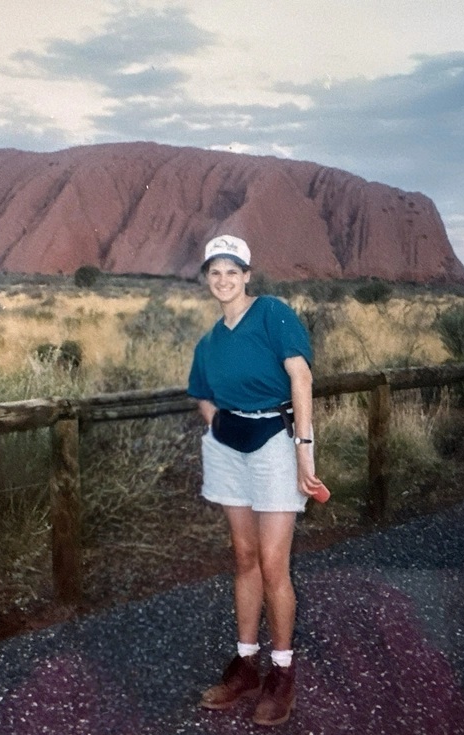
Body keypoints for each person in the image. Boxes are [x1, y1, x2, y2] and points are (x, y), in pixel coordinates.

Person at [187, 234, 324, 727]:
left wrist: (304, 452)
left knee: (272, 562)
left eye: (232, 271)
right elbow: (202, 393)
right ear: (207, 279)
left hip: (273, 440)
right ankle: (246, 664)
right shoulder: (209, 341)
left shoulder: (272, 314)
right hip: (228, 445)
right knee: (244, 556)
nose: (223, 281)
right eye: (214, 272)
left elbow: (301, 378)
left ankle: (282, 670)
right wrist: (217, 426)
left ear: (247, 275)